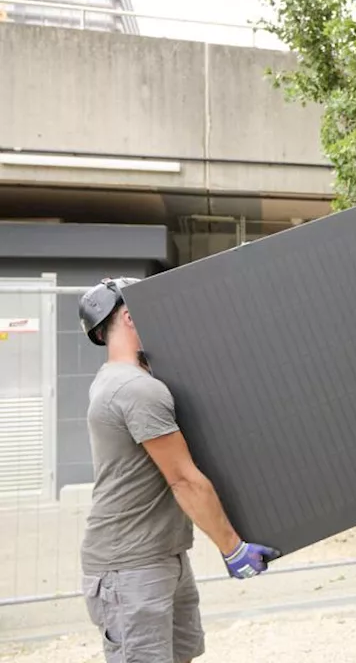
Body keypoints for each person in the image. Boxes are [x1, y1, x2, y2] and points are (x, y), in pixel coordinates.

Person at [77, 277, 280, 662]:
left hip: (162, 554)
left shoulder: (122, 380)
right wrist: (232, 548)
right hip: (130, 566)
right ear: (128, 316)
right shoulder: (136, 390)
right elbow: (184, 480)